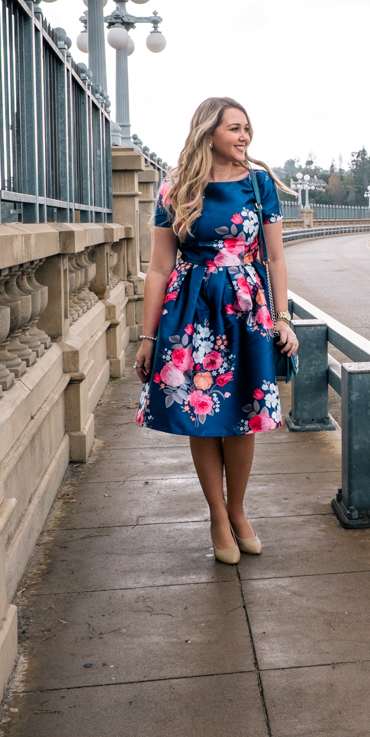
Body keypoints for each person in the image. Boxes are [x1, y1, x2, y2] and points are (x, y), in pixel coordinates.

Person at [135, 97, 299, 564]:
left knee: (244, 413)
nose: (245, 136)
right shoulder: (177, 188)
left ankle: (238, 509)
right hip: (191, 310)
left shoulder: (259, 183)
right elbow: (159, 267)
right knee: (201, 416)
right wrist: (148, 338)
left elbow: (276, 257)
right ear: (210, 133)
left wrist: (283, 318)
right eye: (234, 128)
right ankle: (216, 516)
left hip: (247, 309)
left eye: (247, 128)